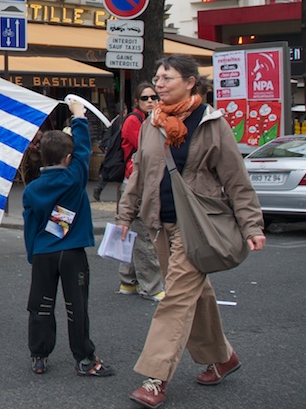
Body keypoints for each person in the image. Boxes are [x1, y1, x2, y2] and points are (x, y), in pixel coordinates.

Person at [118, 55, 266, 408]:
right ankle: (223, 356)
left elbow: (236, 180)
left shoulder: (212, 123)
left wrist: (252, 224)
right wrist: (125, 216)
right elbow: (138, 174)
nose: (159, 84)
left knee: (176, 299)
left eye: (167, 77)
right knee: (195, 295)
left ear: (190, 82)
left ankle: (155, 378)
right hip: (161, 224)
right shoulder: (152, 124)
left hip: (198, 226)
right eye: (157, 78)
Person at [23, 98, 114, 378]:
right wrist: (79, 117)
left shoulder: (32, 190)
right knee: (76, 307)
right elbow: (84, 149)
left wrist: (32, 254)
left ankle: (39, 355)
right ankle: (85, 359)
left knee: (41, 305)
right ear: (68, 158)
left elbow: (29, 226)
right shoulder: (75, 177)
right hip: (72, 251)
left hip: (43, 252)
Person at [117, 82, 164, 302]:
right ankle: (152, 286)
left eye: (154, 97)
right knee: (144, 234)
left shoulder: (147, 121)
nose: (150, 101)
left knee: (132, 234)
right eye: (145, 98)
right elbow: (149, 151)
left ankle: (128, 281)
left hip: (140, 181)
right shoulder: (136, 122)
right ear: (137, 101)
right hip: (135, 182)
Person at [94, 102, 129, 201]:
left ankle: (100, 187)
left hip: (112, 148)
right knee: (117, 170)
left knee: (109, 169)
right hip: (117, 148)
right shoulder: (122, 121)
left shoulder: (114, 121)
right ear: (125, 110)